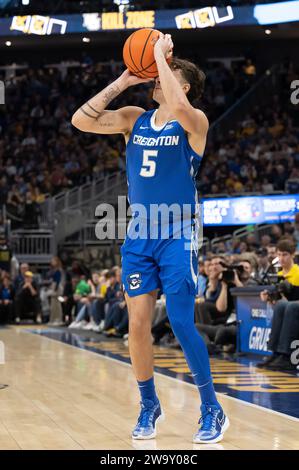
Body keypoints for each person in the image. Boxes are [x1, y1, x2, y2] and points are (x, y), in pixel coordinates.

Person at [72, 33, 229, 444]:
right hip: (140, 234)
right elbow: (81, 120)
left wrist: (159, 53)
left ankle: (212, 408)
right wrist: (123, 81)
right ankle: (148, 404)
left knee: (178, 320)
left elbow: (177, 104)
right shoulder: (133, 117)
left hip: (177, 232)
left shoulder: (195, 121)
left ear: (185, 84)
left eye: (165, 74)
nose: (155, 78)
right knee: (137, 325)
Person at [258, 239, 299, 371]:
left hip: (294, 306)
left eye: (285, 254)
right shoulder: (277, 274)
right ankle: (275, 352)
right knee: (281, 305)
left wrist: (290, 289)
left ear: (293, 254)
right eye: (279, 254)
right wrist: (269, 296)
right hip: (287, 306)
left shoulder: (297, 272)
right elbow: (279, 300)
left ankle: (287, 355)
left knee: (290, 306)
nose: (281, 258)